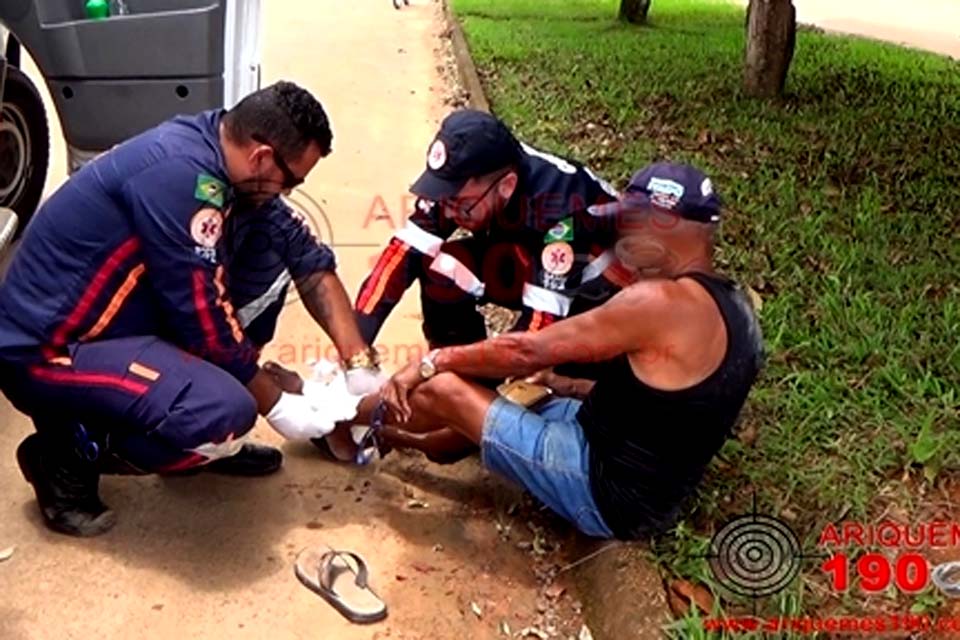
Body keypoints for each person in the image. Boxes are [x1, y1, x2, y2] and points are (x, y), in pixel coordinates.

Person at [0, 81, 381, 537]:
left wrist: (359, 367)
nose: (291, 191)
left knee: (271, 245)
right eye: (293, 179)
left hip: (115, 327)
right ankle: (65, 452)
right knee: (222, 414)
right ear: (261, 157)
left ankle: (200, 437)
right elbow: (205, 323)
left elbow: (311, 263)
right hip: (47, 351)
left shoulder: (230, 164)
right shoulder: (182, 177)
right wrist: (277, 404)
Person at [342, 162, 764, 538]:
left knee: (446, 388)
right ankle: (383, 430)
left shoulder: (659, 302)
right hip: (649, 481)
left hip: (605, 491)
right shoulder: (733, 305)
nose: (624, 233)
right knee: (482, 416)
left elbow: (528, 351)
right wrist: (562, 383)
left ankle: (336, 414)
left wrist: (433, 362)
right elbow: (670, 409)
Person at [318, 109, 623, 461]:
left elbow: (536, 338)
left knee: (537, 384)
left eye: (459, 205)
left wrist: (442, 368)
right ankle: (462, 391)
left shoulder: (561, 217)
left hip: (594, 299)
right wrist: (355, 357)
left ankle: (461, 399)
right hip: (527, 258)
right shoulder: (464, 179)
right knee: (443, 266)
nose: (447, 211)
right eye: (442, 197)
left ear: (506, 187)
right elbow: (399, 258)